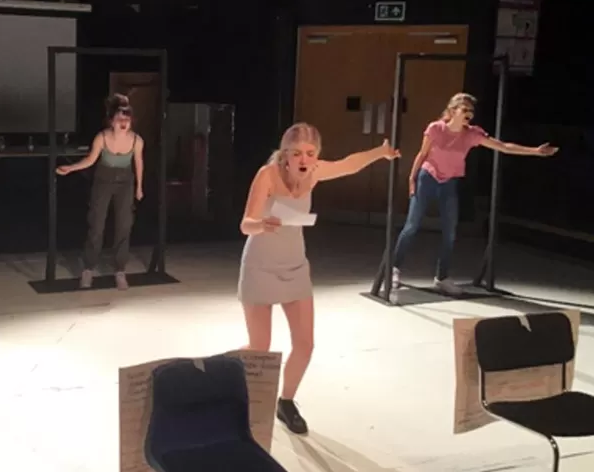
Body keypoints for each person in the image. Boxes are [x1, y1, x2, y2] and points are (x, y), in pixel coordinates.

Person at [238, 122, 400, 434]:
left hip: (295, 266)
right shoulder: (268, 174)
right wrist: (262, 225)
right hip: (260, 266)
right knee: (260, 347)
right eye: (297, 153)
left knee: (305, 344)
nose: (304, 159)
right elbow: (246, 223)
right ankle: (220, 370)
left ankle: (286, 401)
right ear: (285, 154)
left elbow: (349, 164)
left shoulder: (314, 172)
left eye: (310, 153)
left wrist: (380, 152)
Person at [390, 92, 558, 296]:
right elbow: (422, 154)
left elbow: (503, 147)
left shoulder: (472, 134)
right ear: (453, 110)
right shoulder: (436, 129)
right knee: (412, 225)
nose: (469, 113)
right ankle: (394, 268)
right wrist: (412, 178)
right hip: (428, 177)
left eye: (471, 110)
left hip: (449, 182)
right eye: (465, 109)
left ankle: (441, 277)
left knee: (450, 231)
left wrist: (535, 151)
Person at [56, 94, 144, 290]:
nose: (123, 123)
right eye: (120, 119)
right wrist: (70, 168)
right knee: (96, 225)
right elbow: (90, 160)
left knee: (124, 226)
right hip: (103, 181)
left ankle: (119, 270)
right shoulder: (102, 137)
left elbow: (138, 163)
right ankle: (88, 269)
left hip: (125, 183)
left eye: (127, 120)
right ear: (111, 121)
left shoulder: (136, 140)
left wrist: (139, 187)